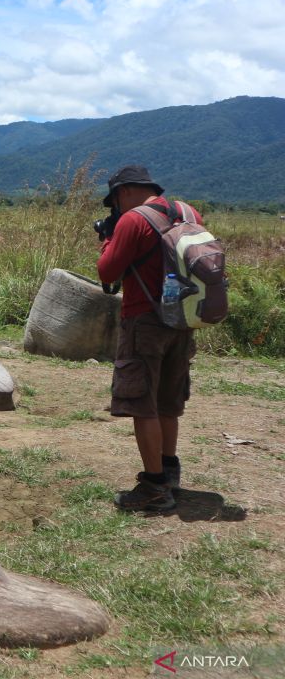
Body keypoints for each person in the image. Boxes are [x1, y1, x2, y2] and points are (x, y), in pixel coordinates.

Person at [96, 166, 201, 512]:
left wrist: (108, 239)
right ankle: (169, 471)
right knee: (169, 402)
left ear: (125, 191)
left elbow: (107, 272)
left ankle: (154, 488)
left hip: (144, 322)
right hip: (183, 321)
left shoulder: (133, 220)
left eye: (115, 200)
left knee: (144, 405)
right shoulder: (188, 212)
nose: (116, 207)